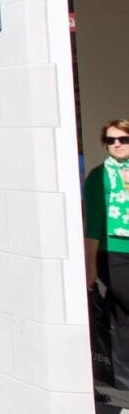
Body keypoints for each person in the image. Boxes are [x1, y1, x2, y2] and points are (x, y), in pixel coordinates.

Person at [84, 119, 129, 390]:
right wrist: (90, 266)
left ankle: (123, 379)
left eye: (123, 139)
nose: (117, 145)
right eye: (111, 140)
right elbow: (94, 224)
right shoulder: (99, 176)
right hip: (113, 254)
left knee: (122, 316)